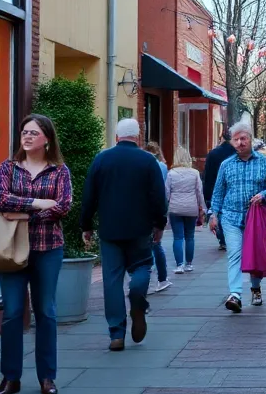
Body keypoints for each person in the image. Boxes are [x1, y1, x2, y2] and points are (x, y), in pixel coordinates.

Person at [0, 114, 73, 394]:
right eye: (24, 132)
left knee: (46, 312)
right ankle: (10, 378)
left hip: (47, 249)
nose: (26, 137)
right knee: (12, 313)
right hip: (11, 249)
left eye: (33, 133)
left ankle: (47, 377)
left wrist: (20, 213)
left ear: (46, 139)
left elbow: (63, 207)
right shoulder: (8, 168)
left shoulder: (59, 171)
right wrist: (36, 204)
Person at [82, 118, 166, 352]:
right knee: (142, 267)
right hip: (140, 228)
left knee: (111, 280)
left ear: (117, 137)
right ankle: (137, 297)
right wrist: (159, 224)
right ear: (138, 136)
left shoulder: (101, 159)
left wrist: (86, 225)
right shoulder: (148, 161)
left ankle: (116, 334)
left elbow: (89, 195)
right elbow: (159, 197)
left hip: (110, 230)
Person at [209, 120, 266, 312]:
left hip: (255, 218)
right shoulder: (226, 165)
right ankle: (235, 294)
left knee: (256, 255)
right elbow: (218, 192)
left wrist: (264, 195)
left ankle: (256, 287)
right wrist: (213, 214)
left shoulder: (264, 162)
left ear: (250, 139)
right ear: (232, 142)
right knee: (234, 254)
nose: (240, 142)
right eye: (236, 139)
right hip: (231, 217)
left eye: (243, 138)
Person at [165, 146, 204, 273]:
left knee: (177, 237)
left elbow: (166, 192)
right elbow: (199, 192)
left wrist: (166, 205)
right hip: (191, 208)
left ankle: (179, 265)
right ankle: (189, 264)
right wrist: (202, 207)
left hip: (175, 208)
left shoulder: (171, 173)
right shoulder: (195, 173)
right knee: (190, 236)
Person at [144, 142, 172, 292]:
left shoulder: (141, 165)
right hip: (158, 207)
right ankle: (162, 278)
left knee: (145, 246)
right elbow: (164, 190)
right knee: (156, 244)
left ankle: (148, 279)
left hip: (144, 210)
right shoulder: (162, 166)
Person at [201, 131, 234, 251]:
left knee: (219, 214)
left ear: (222, 138)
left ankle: (222, 239)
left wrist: (207, 194)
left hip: (216, 188)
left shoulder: (213, 153)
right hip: (232, 188)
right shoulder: (237, 152)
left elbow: (208, 175)